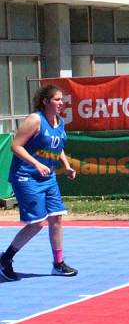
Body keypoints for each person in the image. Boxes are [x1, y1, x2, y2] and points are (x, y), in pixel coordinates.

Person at [0, 84, 78, 281]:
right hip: (26, 176)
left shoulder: (58, 122)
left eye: (62, 99)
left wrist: (66, 165)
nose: (62, 103)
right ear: (46, 101)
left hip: (48, 177)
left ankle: (58, 264)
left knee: (57, 218)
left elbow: (56, 145)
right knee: (36, 224)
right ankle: (5, 259)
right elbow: (15, 146)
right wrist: (35, 164)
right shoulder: (35, 119)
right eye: (57, 99)